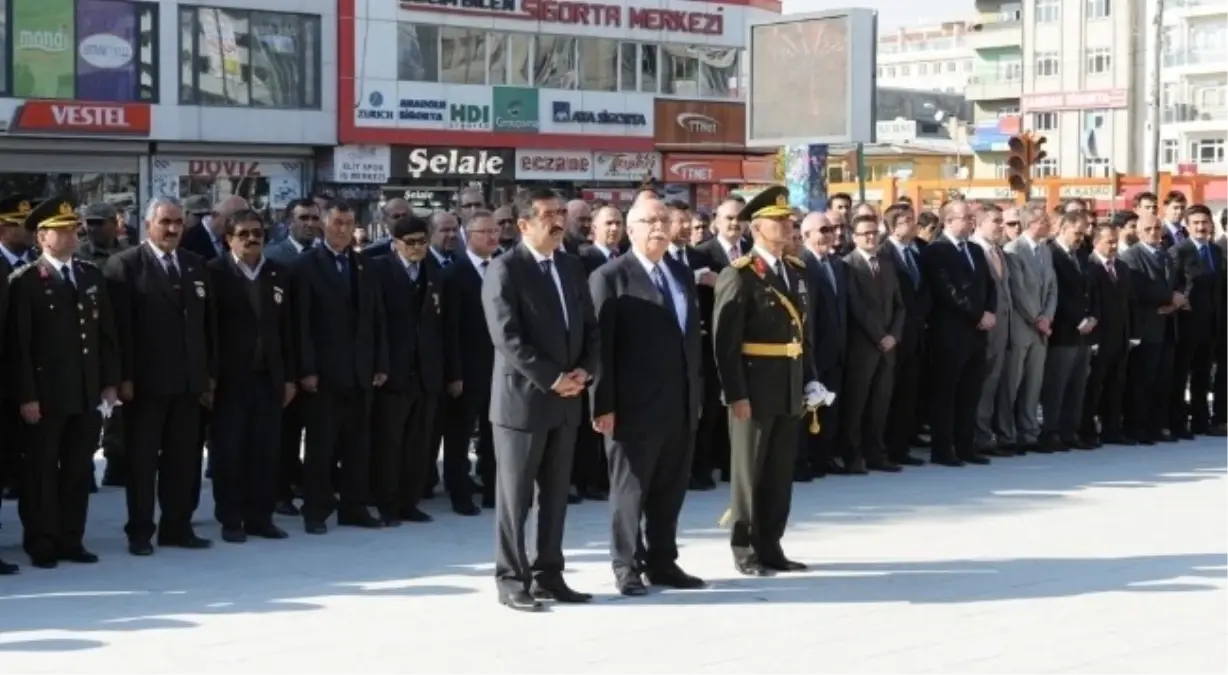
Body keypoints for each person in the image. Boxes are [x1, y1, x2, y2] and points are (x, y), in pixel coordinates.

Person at [481, 187, 599, 612]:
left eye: (561, 213)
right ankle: (512, 579)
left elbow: (590, 326)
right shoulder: (505, 269)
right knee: (516, 498)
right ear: (525, 224)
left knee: (555, 495)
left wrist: (586, 369)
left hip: (567, 401)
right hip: (523, 403)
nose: (558, 221)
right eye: (548, 214)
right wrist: (554, 379)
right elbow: (507, 337)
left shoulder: (571, 265)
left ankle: (550, 572)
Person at [589, 198, 705, 596]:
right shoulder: (611, 276)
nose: (657, 226)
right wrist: (602, 404)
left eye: (663, 219)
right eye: (647, 220)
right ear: (629, 229)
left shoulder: (680, 272)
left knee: (669, 489)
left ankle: (663, 561)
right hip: (632, 407)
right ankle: (626, 567)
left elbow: (689, 338)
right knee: (630, 491)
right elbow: (600, 348)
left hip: (679, 401)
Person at [712, 185, 825, 576]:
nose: (789, 226)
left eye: (789, 220)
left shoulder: (795, 271)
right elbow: (725, 345)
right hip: (754, 388)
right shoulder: (740, 275)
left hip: (789, 383)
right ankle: (744, 550)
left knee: (779, 472)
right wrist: (735, 394)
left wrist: (810, 381)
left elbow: (802, 335)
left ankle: (771, 543)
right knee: (749, 474)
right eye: (780, 221)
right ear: (758, 228)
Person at [9, 198, 120, 568]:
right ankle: (41, 540)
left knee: (77, 470)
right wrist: (27, 396)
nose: (73, 235)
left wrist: (108, 384)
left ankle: (72, 538)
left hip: (85, 392)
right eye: (64, 229)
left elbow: (106, 336)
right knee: (41, 472)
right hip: (46, 395)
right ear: (42, 236)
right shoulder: (25, 281)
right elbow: (19, 346)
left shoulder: (89, 274)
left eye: (75, 228)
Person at [104, 196, 215, 555]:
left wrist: (207, 375)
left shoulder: (196, 264)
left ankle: (176, 527)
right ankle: (140, 531)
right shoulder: (125, 266)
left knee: (183, 461)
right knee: (142, 462)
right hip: (146, 383)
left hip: (188, 383)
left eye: (178, 223)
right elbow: (119, 331)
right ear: (149, 224)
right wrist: (124, 378)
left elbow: (205, 327)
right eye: (165, 222)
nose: (172, 229)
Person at [293, 199, 388, 534]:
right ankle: (315, 509)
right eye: (337, 223)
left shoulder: (364, 265)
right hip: (324, 373)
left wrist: (380, 362)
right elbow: (301, 322)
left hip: (360, 371)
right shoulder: (307, 266)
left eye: (349, 223)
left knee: (357, 445)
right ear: (324, 225)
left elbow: (376, 318)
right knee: (321, 446)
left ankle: (353, 506)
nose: (343, 230)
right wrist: (306, 369)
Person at [206, 209, 295, 543]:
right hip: (229, 379)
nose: (251, 238)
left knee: (265, 451)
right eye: (243, 233)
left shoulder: (278, 273)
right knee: (229, 452)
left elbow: (288, 329)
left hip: (268, 378)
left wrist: (289, 377)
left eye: (257, 232)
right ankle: (231, 518)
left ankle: (261, 517)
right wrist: (209, 377)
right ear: (228, 238)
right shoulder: (213, 273)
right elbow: (207, 330)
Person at [369, 214, 450, 525]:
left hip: (425, 370)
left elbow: (443, 325)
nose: (418, 248)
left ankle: (409, 501)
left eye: (422, 241)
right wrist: (379, 363)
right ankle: (387, 502)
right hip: (393, 370)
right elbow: (373, 322)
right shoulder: (379, 270)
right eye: (411, 243)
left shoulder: (434, 271)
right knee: (390, 442)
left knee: (419, 442)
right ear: (395, 244)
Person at [919, 200, 996, 467]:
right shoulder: (935, 251)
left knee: (970, 392)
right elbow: (947, 290)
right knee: (946, 394)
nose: (970, 222)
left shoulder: (975, 250)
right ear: (949, 221)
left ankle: (966, 446)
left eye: (971, 217)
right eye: (965, 217)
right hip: (950, 334)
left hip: (977, 335)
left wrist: (990, 311)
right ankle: (943, 449)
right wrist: (977, 315)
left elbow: (989, 285)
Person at [442, 210, 501, 512]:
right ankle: (459, 491)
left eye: (495, 231)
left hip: (499, 368)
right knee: (460, 434)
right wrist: (454, 373)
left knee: (495, 434)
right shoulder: (455, 273)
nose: (492, 237)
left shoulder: (502, 267)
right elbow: (450, 328)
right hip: (467, 368)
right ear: (468, 235)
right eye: (484, 232)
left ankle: (493, 489)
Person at [842, 212, 904, 473]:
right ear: (854, 237)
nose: (870, 237)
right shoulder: (848, 265)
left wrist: (894, 335)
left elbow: (900, 305)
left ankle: (876, 453)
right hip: (863, 347)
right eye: (865, 233)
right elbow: (856, 306)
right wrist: (879, 335)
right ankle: (852, 456)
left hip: (888, 347)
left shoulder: (887, 263)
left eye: (874, 232)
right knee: (857, 404)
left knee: (880, 403)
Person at [76, 202, 130, 488]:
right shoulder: (79, 255)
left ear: (115, 222)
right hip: (87, 340)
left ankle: (117, 463)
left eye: (100, 222)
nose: (93, 228)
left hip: (119, 338)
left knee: (118, 408)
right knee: (87, 411)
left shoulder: (127, 254)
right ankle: (82, 468)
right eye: (89, 222)